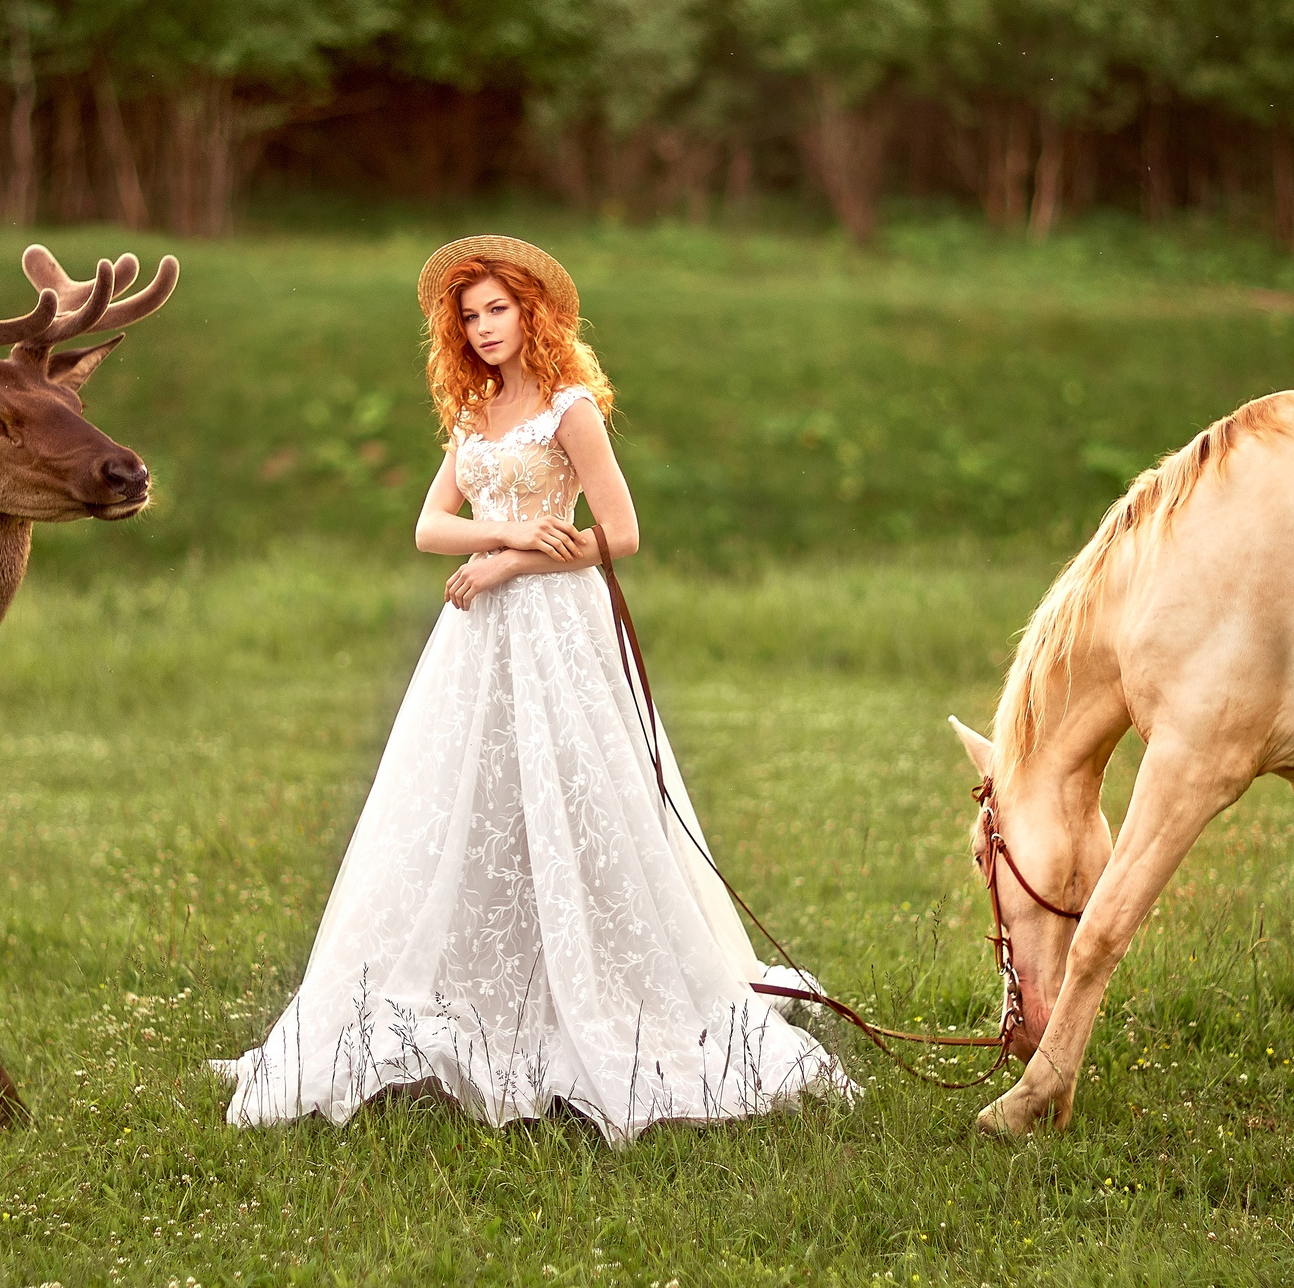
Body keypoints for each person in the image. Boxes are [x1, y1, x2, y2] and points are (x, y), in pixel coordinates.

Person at [213, 235, 852, 1142]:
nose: (481, 329)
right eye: (468, 316)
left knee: (578, 798)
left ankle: (599, 991)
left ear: (533, 312)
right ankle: (472, 984)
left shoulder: (569, 409)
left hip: (558, 628)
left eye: (497, 310)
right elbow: (431, 527)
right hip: (475, 642)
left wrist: (511, 564)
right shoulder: (472, 413)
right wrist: (504, 543)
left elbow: (619, 534)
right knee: (460, 804)